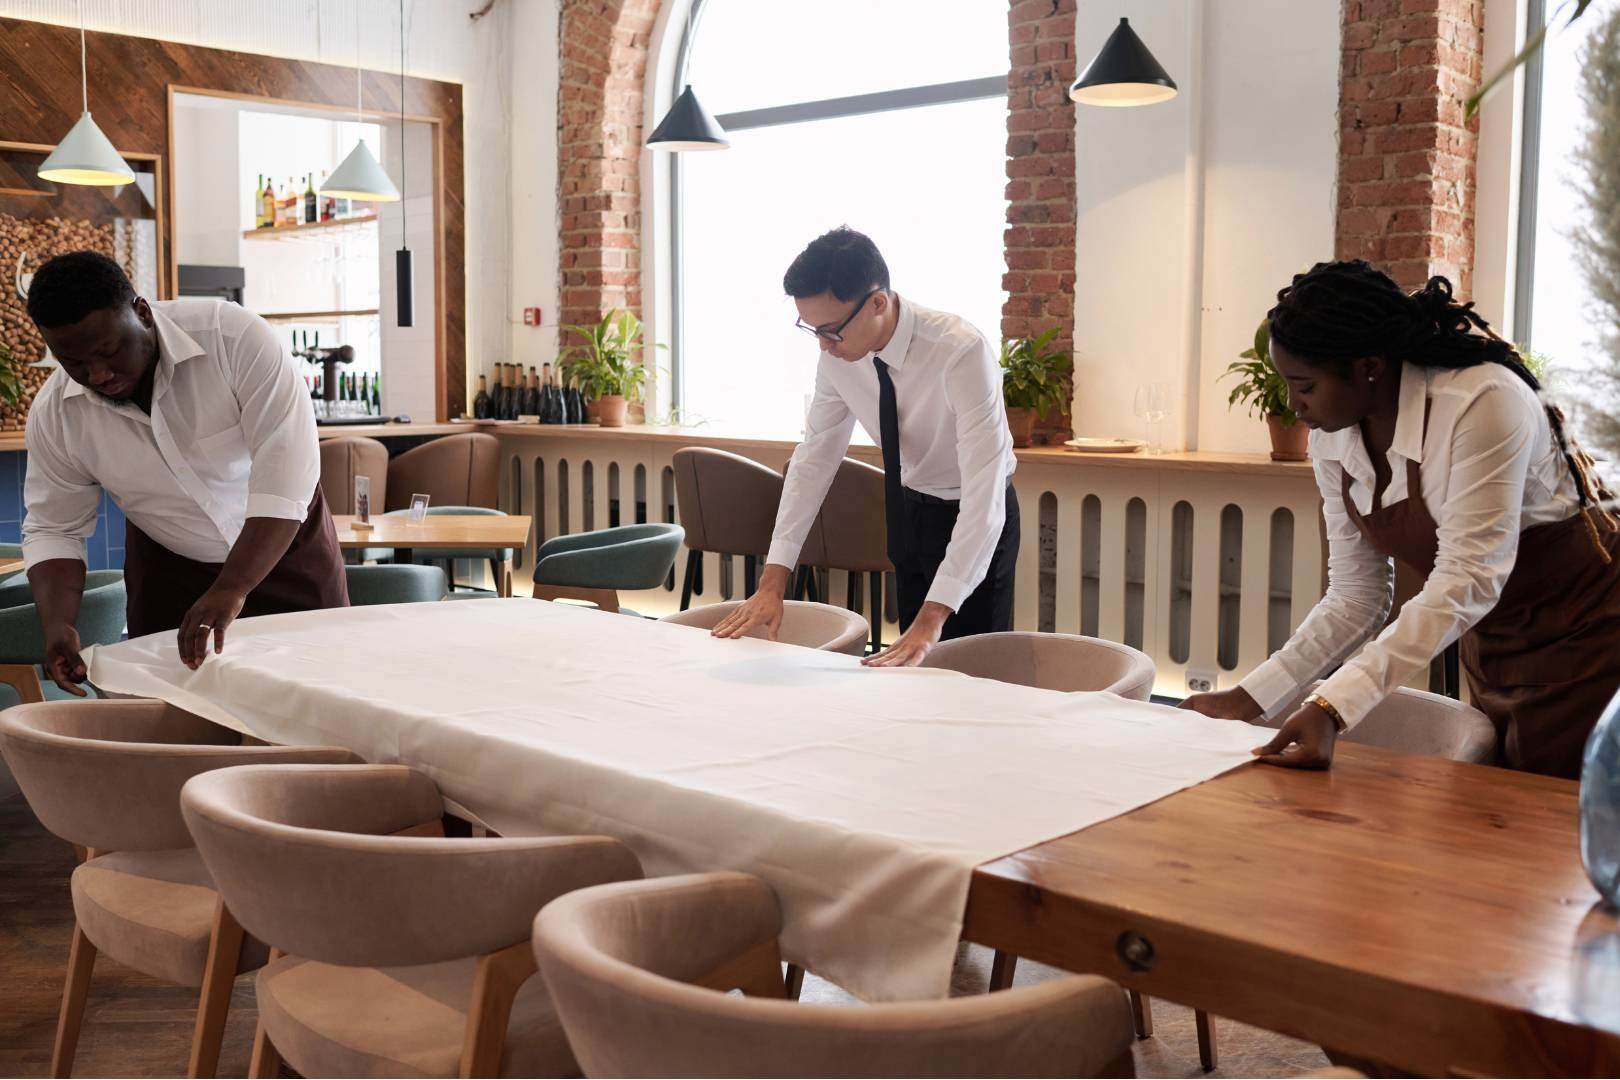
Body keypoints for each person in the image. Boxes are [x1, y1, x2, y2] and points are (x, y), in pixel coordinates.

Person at [1182, 259, 1620, 778]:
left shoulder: (1482, 401)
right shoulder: (1334, 436)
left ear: (1369, 367)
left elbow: (1469, 579)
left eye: (1305, 385)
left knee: (1556, 827)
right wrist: (1250, 698)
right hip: (1495, 641)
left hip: (1592, 641)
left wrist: (1332, 706)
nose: (1293, 405)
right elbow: (1356, 596)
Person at [21, 251, 348, 690]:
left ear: (142, 312)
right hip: (168, 568)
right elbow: (54, 528)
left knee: (323, 697)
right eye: (74, 363)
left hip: (286, 547)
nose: (97, 373)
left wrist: (232, 587)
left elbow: (286, 478)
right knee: (172, 715)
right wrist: (59, 625)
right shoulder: (56, 414)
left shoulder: (232, 338)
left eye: (108, 350)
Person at [711, 227, 1019, 666]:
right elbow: (814, 459)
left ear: (878, 302)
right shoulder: (837, 358)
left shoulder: (959, 351)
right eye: (813, 330)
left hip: (975, 514)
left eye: (831, 330)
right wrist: (773, 580)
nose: (823, 344)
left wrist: (934, 619)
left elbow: (984, 496)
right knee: (915, 669)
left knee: (976, 670)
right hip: (908, 509)